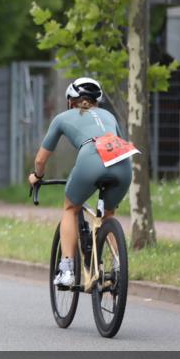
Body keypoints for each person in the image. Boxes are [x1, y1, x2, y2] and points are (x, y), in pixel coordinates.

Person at [28, 77, 135, 287]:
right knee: (108, 214)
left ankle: (67, 270)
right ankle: (118, 265)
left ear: (71, 100)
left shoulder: (62, 117)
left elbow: (40, 159)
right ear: (98, 100)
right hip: (123, 163)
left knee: (70, 208)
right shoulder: (109, 115)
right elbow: (118, 142)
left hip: (91, 158)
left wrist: (37, 176)